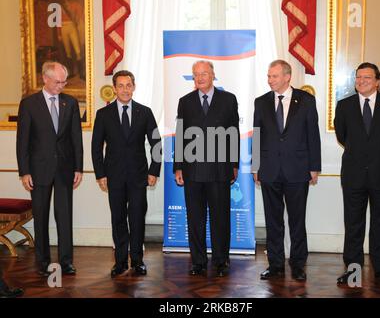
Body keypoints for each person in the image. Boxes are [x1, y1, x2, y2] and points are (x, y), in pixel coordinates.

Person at [334, 62, 380, 286]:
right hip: (354, 175)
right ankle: (353, 270)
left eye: (366, 77)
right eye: (358, 77)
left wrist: (376, 153)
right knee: (353, 225)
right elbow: (342, 135)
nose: (361, 81)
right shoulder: (344, 106)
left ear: (377, 81)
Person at [252, 60, 321, 282]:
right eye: (269, 76)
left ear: (287, 77)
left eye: (274, 76)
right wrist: (255, 167)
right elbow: (257, 136)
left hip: (298, 170)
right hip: (269, 170)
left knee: (297, 220)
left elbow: (313, 135)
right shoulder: (261, 102)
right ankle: (275, 265)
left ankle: (298, 265)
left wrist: (314, 167)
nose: (270, 80)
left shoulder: (306, 100)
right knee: (273, 221)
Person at [92, 70, 161, 278]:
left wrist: (154, 170)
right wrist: (100, 174)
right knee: (118, 219)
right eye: (120, 86)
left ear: (134, 87)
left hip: (139, 176)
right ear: (114, 88)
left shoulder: (145, 112)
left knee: (138, 218)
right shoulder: (103, 114)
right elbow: (96, 147)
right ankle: (120, 261)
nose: (124, 89)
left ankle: (138, 261)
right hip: (114, 177)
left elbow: (156, 143)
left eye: (128, 85)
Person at [16, 61, 83, 277]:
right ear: (45, 79)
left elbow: (76, 139)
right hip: (38, 170)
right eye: (57, 82)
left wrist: (78, 168)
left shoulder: (70, 103)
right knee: (41, 216)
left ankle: (66, 261)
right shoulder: (28, 104)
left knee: (64, 216)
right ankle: (42, 262)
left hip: (65, 169)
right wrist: (24, 171)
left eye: (64, 82)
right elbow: (22, 142)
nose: (61, 86)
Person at [174, 60, 239, 277]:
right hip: (192, 171)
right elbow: (180, 136)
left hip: (220, 170)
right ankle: (199, 262)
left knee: (220, 218)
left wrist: (234, 165)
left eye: (204, 73)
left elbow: (234, 134)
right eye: (196, 74)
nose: (200, 78)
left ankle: (221, 261)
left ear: (213, 75)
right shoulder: (185, 101)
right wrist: (178, 167)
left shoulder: (228, 99)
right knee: (195, 218)